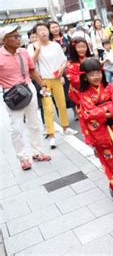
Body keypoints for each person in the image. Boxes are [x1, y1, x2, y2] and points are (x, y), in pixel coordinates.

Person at [78, 57, 113, 199]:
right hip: (101, 130)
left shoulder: (110, 87)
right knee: (110, 159)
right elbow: (88, 113)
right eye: (91, 74)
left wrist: (109, 111)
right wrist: (106, 112)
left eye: (98, 73)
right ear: (85, 77)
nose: (96, 77)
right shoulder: (84, 95)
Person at [0, 25, 51, 170]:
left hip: (28, 89)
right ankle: (22, 158)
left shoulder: (23, 52)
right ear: (5, 40)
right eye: (15, 36)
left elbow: (32, 70)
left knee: (34, 123)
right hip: (12, 94)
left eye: (19, 36)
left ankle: (37, 152)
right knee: (16, 128)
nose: (19, 38)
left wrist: (43, 85)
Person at [30, 22, 78, 149]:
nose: (43, 32)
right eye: (40, 30)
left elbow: (63, 60)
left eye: (45, 29)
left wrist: (61, 71)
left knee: (62, 104)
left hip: (56, 78)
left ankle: (65, 128)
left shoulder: (55, 45)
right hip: (44, 81)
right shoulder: (33, 47)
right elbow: (31, 64)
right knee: (48, 108)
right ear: (36, 33)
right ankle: (51, 135)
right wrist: (38, 50)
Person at [49, 20, 77, 119]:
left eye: (56, 27)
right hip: (57, 69)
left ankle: (75, 111)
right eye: (53, 27)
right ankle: (62, 116)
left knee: (72, 89)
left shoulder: (66, 38)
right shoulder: (49, 42)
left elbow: (73, 50)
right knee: (61, 92)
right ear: (49, 29)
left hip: (70, 66)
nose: (55, 29)